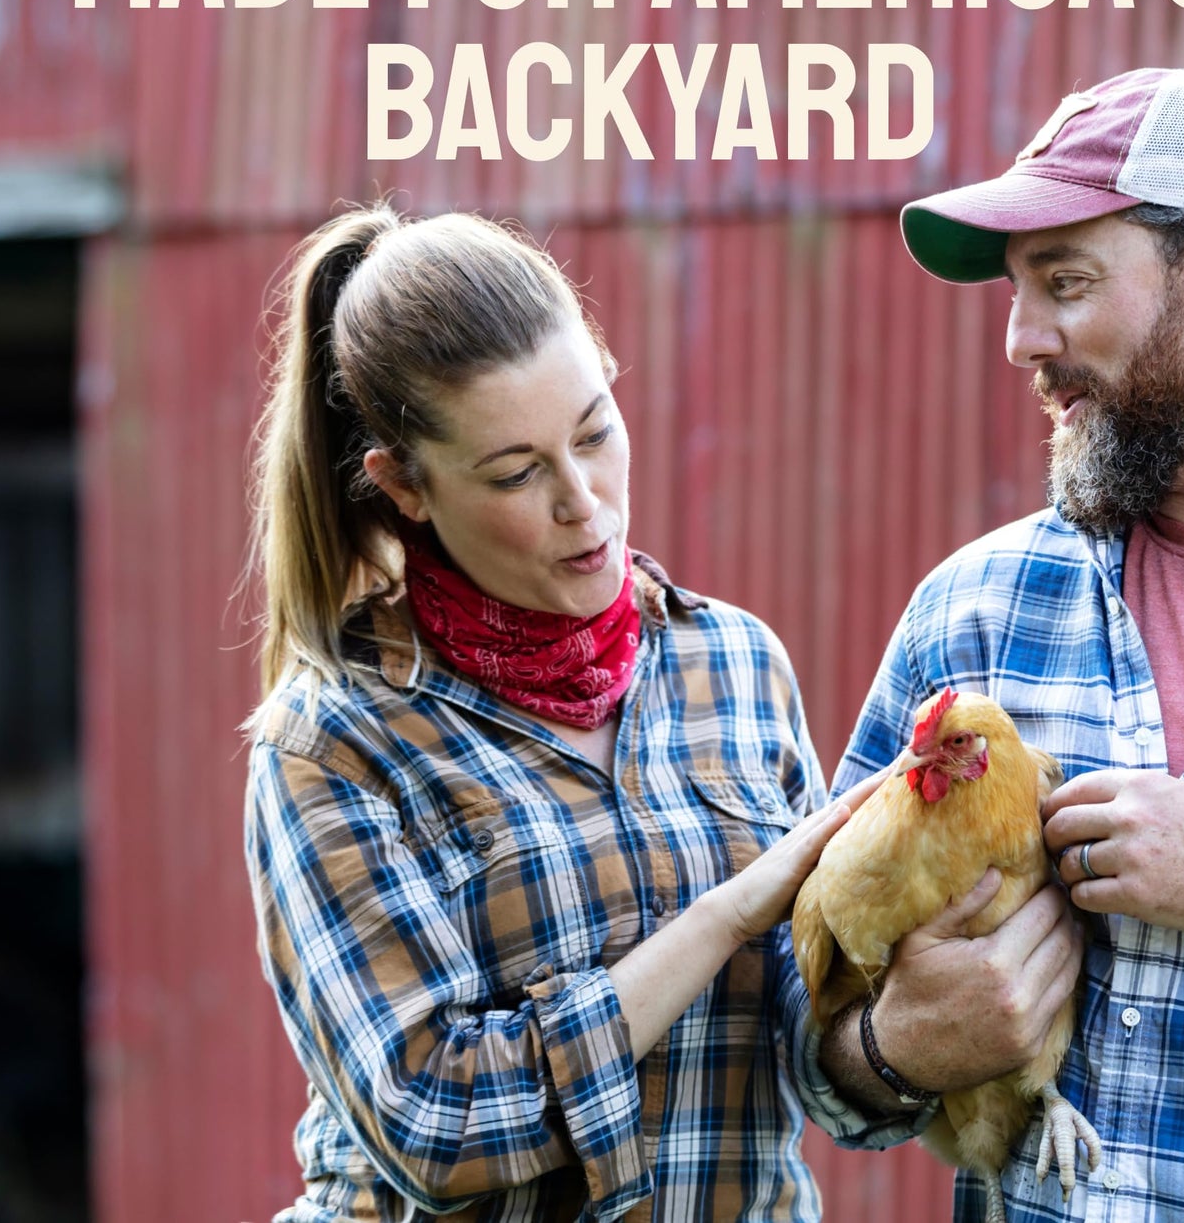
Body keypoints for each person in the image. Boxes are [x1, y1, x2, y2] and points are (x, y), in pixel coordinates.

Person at [241, 204, 885, 1223]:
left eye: (595, 432)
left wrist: (910, 1026)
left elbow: (814, 1038)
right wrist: (720, 915)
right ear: (403, 486)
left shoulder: (733, 664)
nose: (583, 499)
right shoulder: (334, 740)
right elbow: (433, 1123)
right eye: (516, 471)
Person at [818, 68, 1184, 1221]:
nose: (1023, 340)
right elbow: (804, 1023)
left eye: (1064, 282)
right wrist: (894, 1047)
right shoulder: (970, 610)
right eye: (1017, 294)